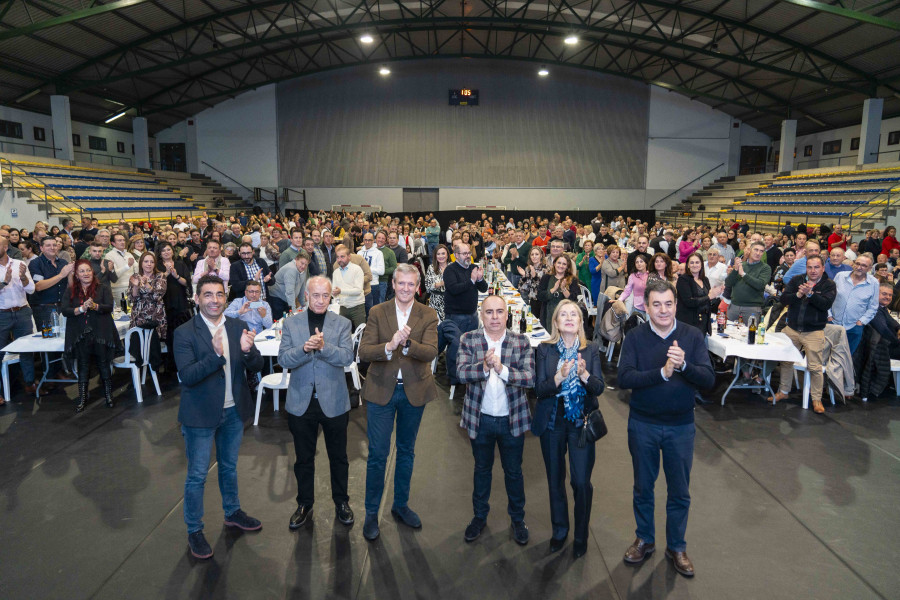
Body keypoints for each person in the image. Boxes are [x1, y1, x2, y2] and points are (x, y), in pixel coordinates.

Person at [618, 278, 715, 577]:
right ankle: (645, 539)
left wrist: (684, 366)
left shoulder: (692, 336)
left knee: (679, 492)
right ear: (645, 306)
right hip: (643, 424)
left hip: (681, 427)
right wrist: (661, 373)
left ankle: (677, 546)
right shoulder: (635, 337)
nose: (663, 310)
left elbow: (709, 381)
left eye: (668, 304)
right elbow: (625, 379)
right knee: (643, 488)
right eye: (656, 304)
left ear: (676, 304)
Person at [173, 274, 265, 560]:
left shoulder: (238, 325)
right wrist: (215, 356)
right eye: (208, 294)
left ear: (226, 298)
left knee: (229, 467)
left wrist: (249, 352)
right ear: (198, 298)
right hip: (199, 414)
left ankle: (232, 511)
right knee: (197, 475)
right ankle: (195, 530)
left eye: (219, 294)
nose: (214, 300)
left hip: (233, 411)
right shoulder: (185, 332)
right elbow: (187, 376)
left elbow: (257, 363)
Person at [357, 264, 439, 542]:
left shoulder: (428, 314)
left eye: (410, 284)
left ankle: (400, 504)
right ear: (392, 284)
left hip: (414, 391)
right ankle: (371, 513)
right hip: (381, 391)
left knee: (406, 451)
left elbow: (430, 352)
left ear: (418, 286)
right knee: (378, 455)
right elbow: (364, 351)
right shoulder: (377, 312)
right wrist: (389, 346)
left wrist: (406, 345)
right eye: (400, 283)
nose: (405, 288)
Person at [455, 294, 535, 545]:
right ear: (481, 314)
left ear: (507, 314)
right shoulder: (469, 339)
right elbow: (460, 373)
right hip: (481, 420)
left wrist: (502, 369)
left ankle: (518, 519)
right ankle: (479, 517)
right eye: (489, 312)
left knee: (514, 472)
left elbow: (529, 378)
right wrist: (485, 367)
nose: (495, 317)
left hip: (513, 420)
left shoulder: (521, 342)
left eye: (499, 311)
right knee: (481, 470)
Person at [278, 277, 355, 530]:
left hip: (333, 400)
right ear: (306, 297)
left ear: (330, 296)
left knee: (339, 458)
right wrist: (304, 348)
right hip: (301, 402)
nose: (321, 300)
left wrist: (323, 347)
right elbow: (284, 359)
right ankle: (304, 504)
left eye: (325, 295)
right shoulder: (291, 323)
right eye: (316, 295)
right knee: (303, 459)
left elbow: (346, 357)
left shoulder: (342, 323)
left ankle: (342, 502)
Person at [532, 300, 605, 558]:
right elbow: (539, 390)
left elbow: (598, 388)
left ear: (580, 321)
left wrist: (584, 375)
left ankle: (581, 534)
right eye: (563, 314)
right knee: (555, 480)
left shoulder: (592, 349)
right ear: (556, 322)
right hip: (552, 420)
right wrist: (559, 377)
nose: (569, 317)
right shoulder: (544, 349)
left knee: (581, 482)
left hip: (580, 422)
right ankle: (560, 530)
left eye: (573, 313)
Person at [768, 256, 837, 413]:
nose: (813, 271)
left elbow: (826, 304)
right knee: (786, 362)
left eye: (816, 267)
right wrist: (798, 295)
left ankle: (816, 399)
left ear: (823, 268)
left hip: (814, 332)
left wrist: (811, 294)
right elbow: (784, 299)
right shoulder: (796, 279)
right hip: (792, 329)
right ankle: (783, 392)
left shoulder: (829, 284)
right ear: (806, 268)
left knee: (814, 367)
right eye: (810, 267)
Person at [61, 259, 119, 412]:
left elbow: (109, 307)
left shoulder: (103, 288)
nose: (86, 273)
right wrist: (81, 309)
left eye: (88, 270)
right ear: (77, 275)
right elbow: (65, 310)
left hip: (100, 332)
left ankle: (108, 395)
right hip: (80, 334)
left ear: (92, 272)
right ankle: (82, 398)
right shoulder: (71, 290)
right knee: (83, 366)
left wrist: (95, 306)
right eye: (82, 271)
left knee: (103, 364)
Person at [30, 236, 76, 385]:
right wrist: (61, 274)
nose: (52, 248)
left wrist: (69, 275)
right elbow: (39, 286)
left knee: (61, 340)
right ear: (41, 248)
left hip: (61, 306)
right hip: (44, 307)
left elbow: (70, 286)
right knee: (48, 341)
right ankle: (48, 374)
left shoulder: (63, 262)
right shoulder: (36, 263)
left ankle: (59, 371)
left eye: (54, 245)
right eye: (48, 245)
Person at [0, 237, 37, 404]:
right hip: (2, 315)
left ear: (5, 247)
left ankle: (29, 383)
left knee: (27, 350)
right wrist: (4, 282)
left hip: (22, 311)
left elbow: (31, 289)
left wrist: (23, 278)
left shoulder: (18, 264)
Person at [829, 253, 879, 354]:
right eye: (857, 263)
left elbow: (873, 307)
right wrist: (828, 315)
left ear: (869, 268)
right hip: (833, 323)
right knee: (825, 355)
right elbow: (829, 297)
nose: (859, 267)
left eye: (864, 265)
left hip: (853, 327)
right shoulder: (840, 276)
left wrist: (861, 322)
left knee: (846, 358)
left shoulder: (874, 283)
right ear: (853, 264)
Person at [155, 242, 193, 366]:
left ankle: (186, 361)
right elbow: (155, 284)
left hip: (180, 302)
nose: (166, 252)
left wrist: (176, 276)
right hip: (164, 304)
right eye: (163, 250)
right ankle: (171, 364)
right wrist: (166, 273)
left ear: (172, 251)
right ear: (160, 254)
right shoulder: (156, 266)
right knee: (169, 336)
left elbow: (186, 283)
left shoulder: (180, 264)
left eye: (168, 249)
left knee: (182, 334)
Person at [443, 243, 488, 335]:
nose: (468, 256)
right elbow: (454, 289)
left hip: (473, 315)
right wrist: (471, 281)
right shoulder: (450, 270)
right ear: (456, 255)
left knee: (473, 344)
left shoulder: (473, 267)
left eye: (469, 253)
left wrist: (480, 279)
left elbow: (484, 289)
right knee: (457, 345)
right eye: (464, 254)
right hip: (456, 316)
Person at [724, 241, 771, 322]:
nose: (758, 253)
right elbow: (728, 283)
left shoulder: (765, 268)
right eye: (756, 250)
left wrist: (743, 274)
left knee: (750, 334)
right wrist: (735, 270)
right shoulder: (742, 265)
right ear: (749, 250)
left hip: (752, 308)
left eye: (761, 251)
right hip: (734, 306)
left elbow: (760, 285)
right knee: (728, 332)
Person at [676, 253, 723, 334]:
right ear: (688, 265)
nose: (694, 265)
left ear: (701, 264)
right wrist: (709, 297)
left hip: (703, 323)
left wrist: (716, 293)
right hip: (688, 323)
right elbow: (689, 302)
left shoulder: (705, 280)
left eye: (697, 262)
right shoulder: (683, 280)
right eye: (692, 262)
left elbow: (707, 300)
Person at [537, 254, 581, 329]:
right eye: (559, 263)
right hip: (548, 315)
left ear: (567, 267)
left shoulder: (573, 279)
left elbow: (574, 299)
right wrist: (553, 289)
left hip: (566, 317)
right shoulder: (546, 278)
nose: (561, 266)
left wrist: (563, 289)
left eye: (564, 264)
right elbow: (540, 296)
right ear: (554, 264)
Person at [331, 244, 366, 330]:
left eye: (342, 257)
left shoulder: (357, 269)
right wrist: (333, 294)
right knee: (343, 334)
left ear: (349, 256)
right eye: (337, 257)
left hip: (357, 307)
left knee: (361, 334)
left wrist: (340, 291)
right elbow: (334, 291)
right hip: (343, 308)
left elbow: (358, 290)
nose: (339, 260)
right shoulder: (336, 272)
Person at [269, 250, 310, 320]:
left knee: (288, 320)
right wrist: (293, 312)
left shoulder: (303, 269)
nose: (303, 266)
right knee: (281, 321)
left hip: (286, 299)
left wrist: (304, 305)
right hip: (277, 298)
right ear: (296, 259)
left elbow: (302, 287)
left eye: (306, 264)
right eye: (302, 263)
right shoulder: (291, 269)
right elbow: (290, 292)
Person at [359, 232, 386, 312]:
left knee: (374, 310)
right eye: (365, 240)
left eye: (369, 240)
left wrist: (367, 269)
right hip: (361, 285)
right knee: (362, 310)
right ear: (363, 240)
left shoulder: (378, 253)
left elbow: (381, 271)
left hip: (373, 285)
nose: (367, 242)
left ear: (373, 241)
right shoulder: (359, 253)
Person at [424, 243, 450, 320]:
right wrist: (440, 284)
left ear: (447, 255)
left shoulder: (452, 267)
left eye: (443, 253)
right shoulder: (431, 268)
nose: (441, 256)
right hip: (435, 304)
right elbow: (427, 287)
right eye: (438, 254)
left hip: (450, 303)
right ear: (435, 256)